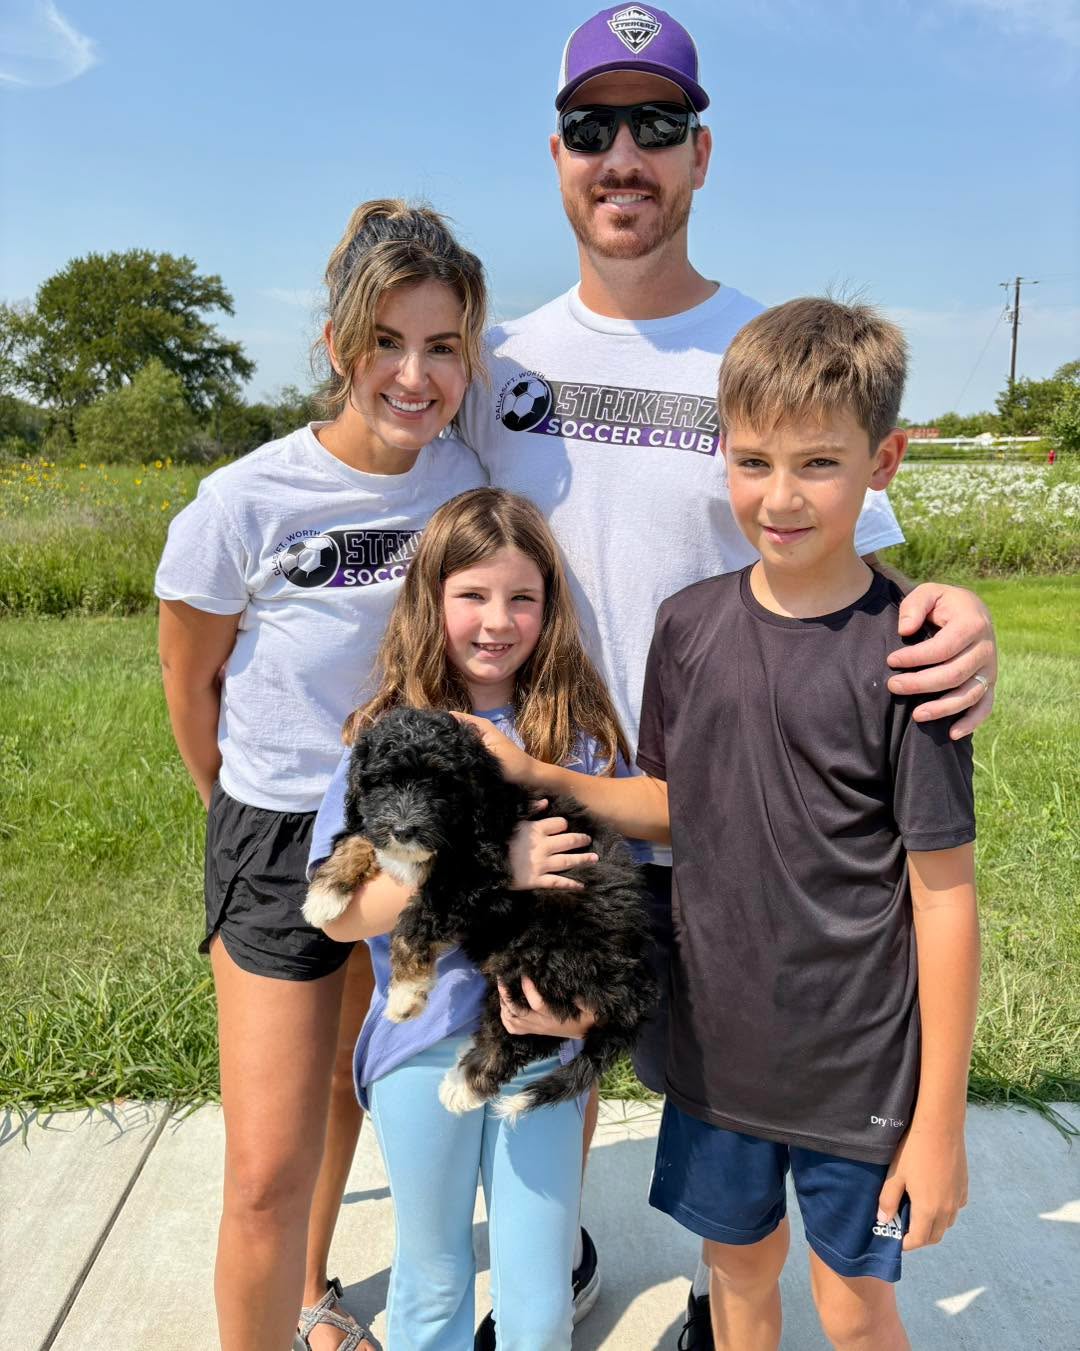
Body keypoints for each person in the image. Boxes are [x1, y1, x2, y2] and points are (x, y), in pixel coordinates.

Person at [456, 7, 997, 1339]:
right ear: (558, 152)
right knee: (547, 1054)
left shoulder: (761, 352)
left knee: (758, 1156)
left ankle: (723, 1300)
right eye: (595, 128)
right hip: (585, 786)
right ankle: (541, 1279)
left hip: (756, 821)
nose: (623, 153)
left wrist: (961, 608)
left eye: (656, 126)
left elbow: (880, 567)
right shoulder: (501, 363)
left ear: (702, 154)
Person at [155, 202, 582, 1351]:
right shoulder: (243, 504)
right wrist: (241, 813)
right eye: (387, 342)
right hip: (288, 829)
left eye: (443, 346)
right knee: (265, 1165)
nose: (415, 373)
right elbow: (192, 689)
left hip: (425, 824)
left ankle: (311, 1291)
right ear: (339, 345)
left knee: (357, 1077)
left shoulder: (463, 471)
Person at [308, 486, 638, 1350]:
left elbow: (614, 905)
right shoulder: (382, 734)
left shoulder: (575, 737)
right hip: (419, 1050)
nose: (498, 620)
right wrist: (497, 867)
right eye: (473, 595)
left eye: (522, 596)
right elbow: (342, 918)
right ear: (431, 600)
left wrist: (589, 1010)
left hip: (541, 1035)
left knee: (535, 1293)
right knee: (435, 1277)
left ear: (549, 608)